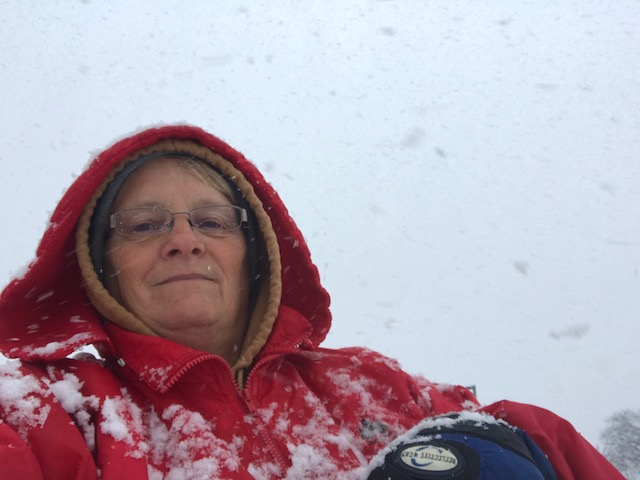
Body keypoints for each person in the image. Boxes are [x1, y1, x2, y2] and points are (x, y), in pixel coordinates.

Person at [0, 125, 623, 479]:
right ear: (99, 269)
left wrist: (505, 454)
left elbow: (542, 444)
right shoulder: (43, 412)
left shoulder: (376, 386)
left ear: (257, 256)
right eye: (143, 225)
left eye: (212, 221)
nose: (183, 241)